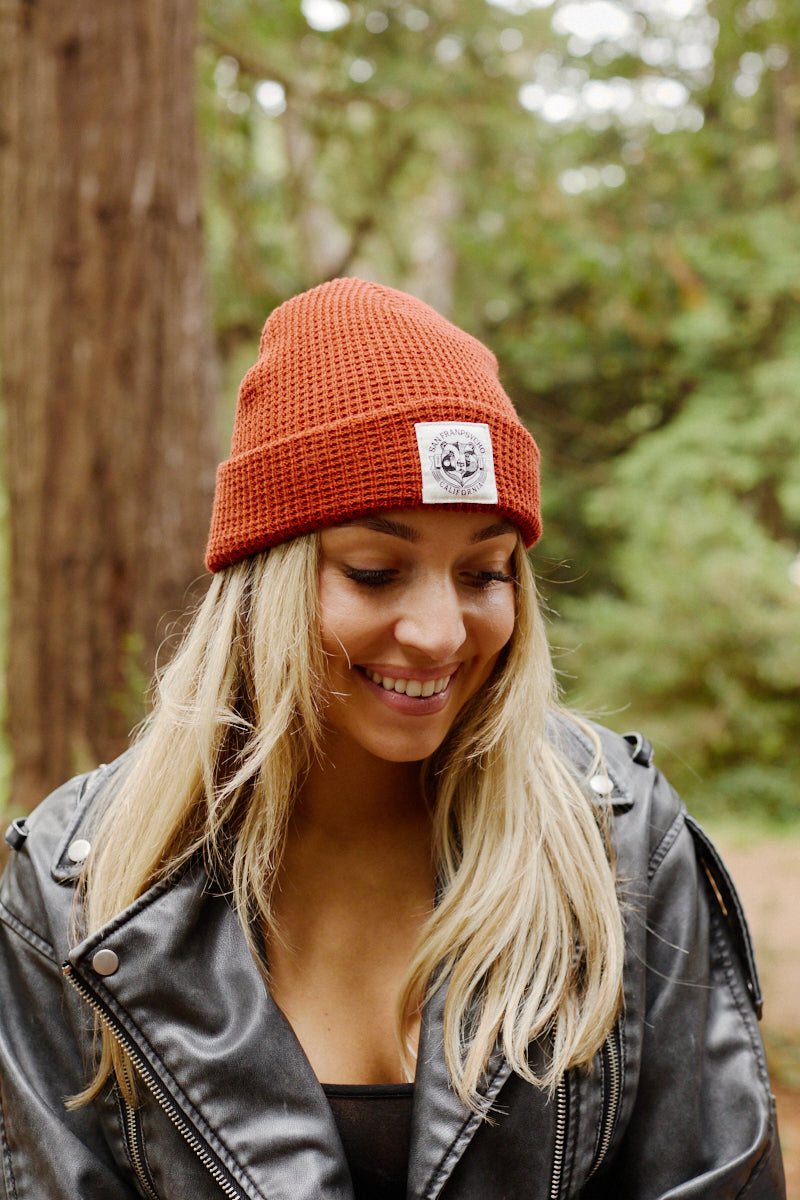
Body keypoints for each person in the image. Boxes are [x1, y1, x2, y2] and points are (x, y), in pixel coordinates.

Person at [0, 277, 785, 1200]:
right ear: (266, 584)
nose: (441, 633)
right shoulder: (76, 887)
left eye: (484, 572)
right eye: (377, 573)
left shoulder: (618, 842)